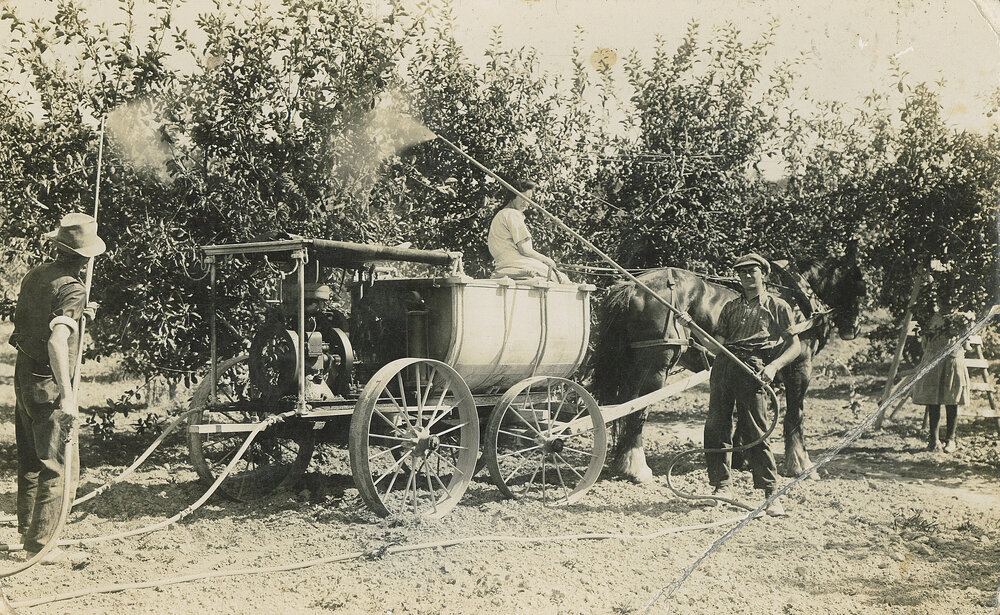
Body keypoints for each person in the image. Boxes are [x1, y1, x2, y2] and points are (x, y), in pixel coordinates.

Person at [8, 213, 104, 562]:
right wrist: (67, 395)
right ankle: (41, 545)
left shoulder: (38, 274)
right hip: (46, 380)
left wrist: (81, 315)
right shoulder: (74, 288)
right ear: (86, 256)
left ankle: (25, 531)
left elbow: (39, 314)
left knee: (31, 458)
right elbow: (56, 340)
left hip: (23, 372)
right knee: (54, 462)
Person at [686, 253, 800, 517]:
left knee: (755, 431)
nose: (747, 276)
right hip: (724, 366)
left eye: (752, 271)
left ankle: (771, 494)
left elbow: (795, 346)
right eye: (742, 272)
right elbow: (716, 346)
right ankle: (721, 487)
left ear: (764, 274)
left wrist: (773, 367)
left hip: (753, 367)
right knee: (716, 427)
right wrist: (690, 327)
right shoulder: (730, 307)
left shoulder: (778, 306)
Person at [912, 311, 973, 453]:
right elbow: (925, 343)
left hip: (952, 360)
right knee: (933, 401)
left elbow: (967, 344)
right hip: (933, 359)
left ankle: (950, 439)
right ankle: (933, 440)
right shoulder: (931, 316)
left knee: (952, 400)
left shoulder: (962, 316)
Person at [487, 179, 570, 283]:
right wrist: (546, 259)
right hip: (518, 263)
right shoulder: (513, 214)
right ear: (513, 195)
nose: (526, 203)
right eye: (523, 198)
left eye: (529, 199)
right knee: (564, 280)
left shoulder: (500, 214)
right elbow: (525, 250)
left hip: (502, 264)